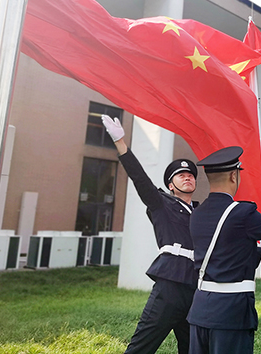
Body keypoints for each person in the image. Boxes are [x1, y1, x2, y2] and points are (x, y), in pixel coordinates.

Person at [101, 114, 198, 354]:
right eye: (180, 176)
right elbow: (140, 179)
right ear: (171, 186)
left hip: (196, 286)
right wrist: (121, 144)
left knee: (195, 349)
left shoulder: (202, 211)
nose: (187, 176)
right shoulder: (161, 203)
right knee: (142, 347)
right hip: (170, 285)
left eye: (191, 175)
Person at [187, 146, 261, 354]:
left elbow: (226, 252)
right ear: (234, 175)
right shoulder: (242, 212)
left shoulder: (197, 214)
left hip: (200, 310)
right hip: (231, 313)